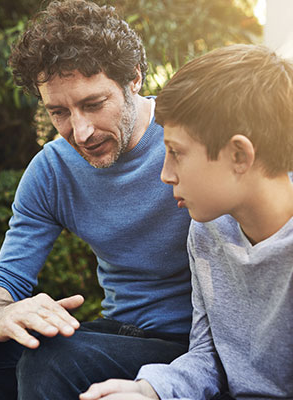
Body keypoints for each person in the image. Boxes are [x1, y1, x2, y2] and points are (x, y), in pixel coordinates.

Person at [0, 1, 193, 399]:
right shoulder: (52, 169)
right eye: (59, 112)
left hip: (188, 347)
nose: (81, 131)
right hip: (113, 334)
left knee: (53, 360)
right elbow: (4, 279)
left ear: (135, 80)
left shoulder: (186, 139)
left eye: (93, 104)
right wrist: (0, 313)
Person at [80, 44, 293, 400]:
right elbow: (209, 354)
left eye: (177, 152)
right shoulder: (206, 232)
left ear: (239, 155)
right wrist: (149, 391)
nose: (165, 175)